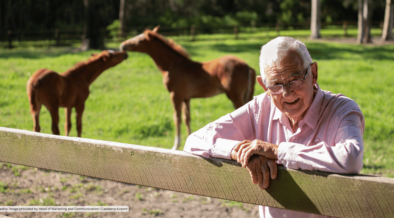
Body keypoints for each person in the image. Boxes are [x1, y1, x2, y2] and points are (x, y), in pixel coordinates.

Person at [183, 36, 364, 218]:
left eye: (295, 79)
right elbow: (195, 141)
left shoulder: (342, 110)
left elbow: (351, 158)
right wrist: (240, 152)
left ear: (314, 74)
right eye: (276, 84)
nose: (287, 92)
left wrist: (278, 152)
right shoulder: (260, 107)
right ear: (264, 86)